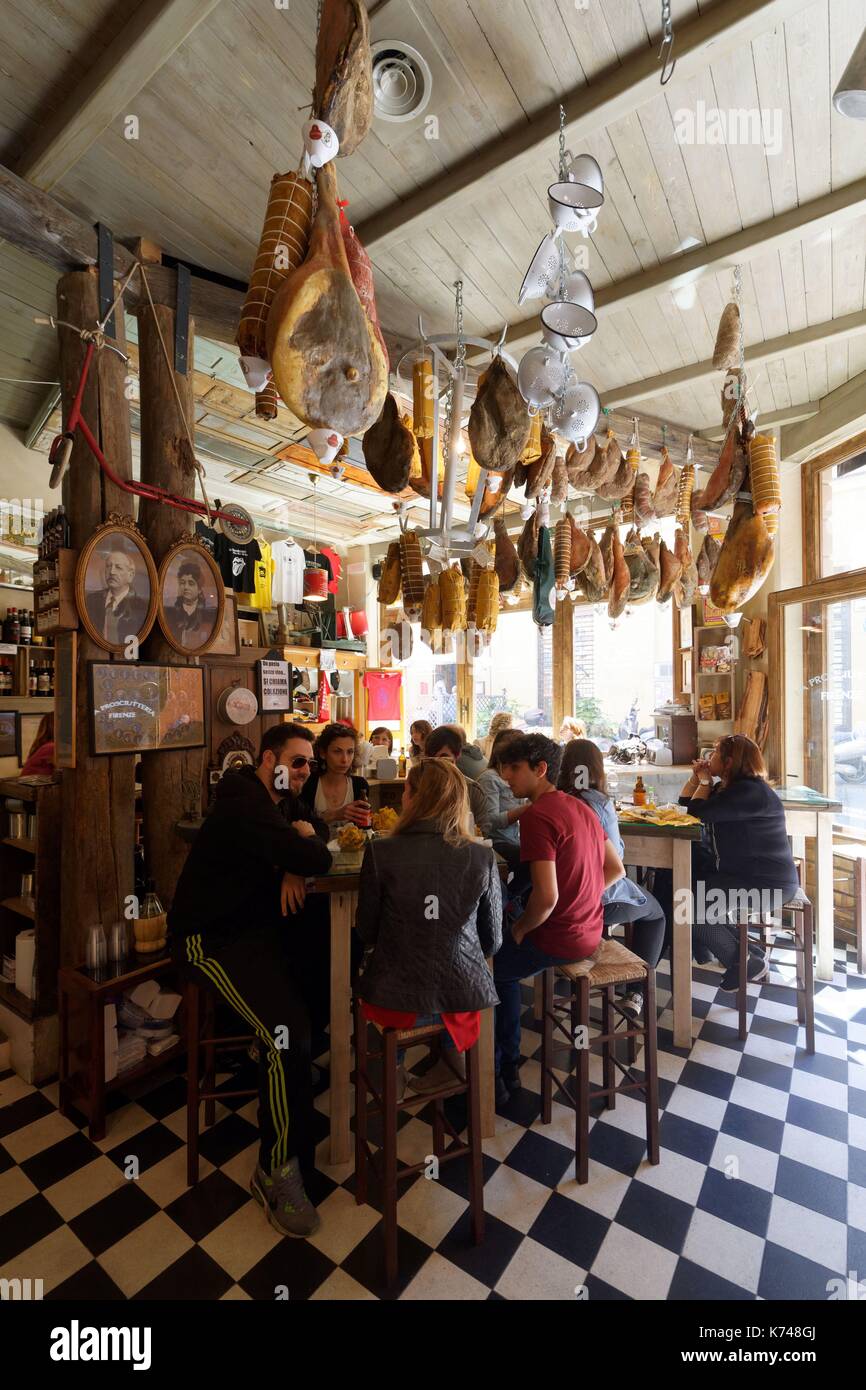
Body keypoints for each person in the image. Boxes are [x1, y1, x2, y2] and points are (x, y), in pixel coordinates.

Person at [168, 723, 333, 1238]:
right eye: (298, 761)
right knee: (289, 1033)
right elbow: (314, 853)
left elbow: (316, 834)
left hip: (254, 933)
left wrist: (293, 859)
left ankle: (289, 1081)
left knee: (319, 978)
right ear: (269, 759)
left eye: (311, 763)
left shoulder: (280, 801)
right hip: (207, 940)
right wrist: (296, 854)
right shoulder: (243, 794)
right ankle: (276, 1169)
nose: (306, 771)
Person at [356, 758, 502, 1096]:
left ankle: (391, 1068)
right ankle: (451, 1060)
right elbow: (493, 941)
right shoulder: (481, 856)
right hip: (462, 998)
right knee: (446, 977)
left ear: (411, 798)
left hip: (394, 998)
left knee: (390, 973)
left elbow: (367, 931)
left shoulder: (380, 852)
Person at [495, 733, 625, 1102]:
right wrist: (582, 897)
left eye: (515, 768)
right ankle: (506, 1062)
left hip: (561, 938)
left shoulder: (536, 816)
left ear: (541, 769)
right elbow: (616, 869)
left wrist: (520, 929)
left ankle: (504, 1068)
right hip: (591, 931)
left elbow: (547, 898)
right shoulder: (581, 806)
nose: (507, 775)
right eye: (504, 767)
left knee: (494, 969)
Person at [678, 734, 799, 991]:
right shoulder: (733, 789)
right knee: (690, 900)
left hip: (767, 885)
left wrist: (704, 781)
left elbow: (698, 813)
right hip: (745, 879)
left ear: (730, 761)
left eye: (716, 754)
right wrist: (697, 779)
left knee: (688, 911)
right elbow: (686, 808)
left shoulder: (749, 791)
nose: (710, 757)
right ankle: (750, 955)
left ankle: (744, 961)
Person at [558, 739, 667, 1019]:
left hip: (559, 902)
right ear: (597, 768)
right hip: (600, 900)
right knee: (657, 915)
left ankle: (569, 965)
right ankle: (636, 992)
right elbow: (616, 858)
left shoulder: (552, 801)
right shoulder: (600, 803)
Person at [476, 728, 529, 870]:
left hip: (514, 840)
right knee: (532, 859)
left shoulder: (522, 777)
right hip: (496, 842)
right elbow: (490, 822)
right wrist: (527, 809)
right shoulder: (489, 778)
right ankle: (512, 892)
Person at [301, 722, 371, 829]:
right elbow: (299, 827)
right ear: (323, 753)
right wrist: (334, 815)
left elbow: (362, 830)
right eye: (337, 752)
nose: (345, 759)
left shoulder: (359, 785)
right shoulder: (309, 784)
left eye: (350, 752)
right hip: (316, 845)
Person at [425, 724, 487, 828]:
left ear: (457, 755)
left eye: (444, 758)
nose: (438, 764)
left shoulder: (473, 791)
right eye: (431, 759)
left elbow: (483, 833)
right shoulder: (418, 789)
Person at [86, 548, 148, 645]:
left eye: (118, 567)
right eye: (108, 566)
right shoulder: (91, 600)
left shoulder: (141, 608)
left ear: (130, 575)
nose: (111, 572)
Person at [167, 558, 214, 649]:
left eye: (191, 583)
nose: (185, 587)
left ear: (199, 589)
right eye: (182, 583)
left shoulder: (208, 615)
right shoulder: (169, 612)